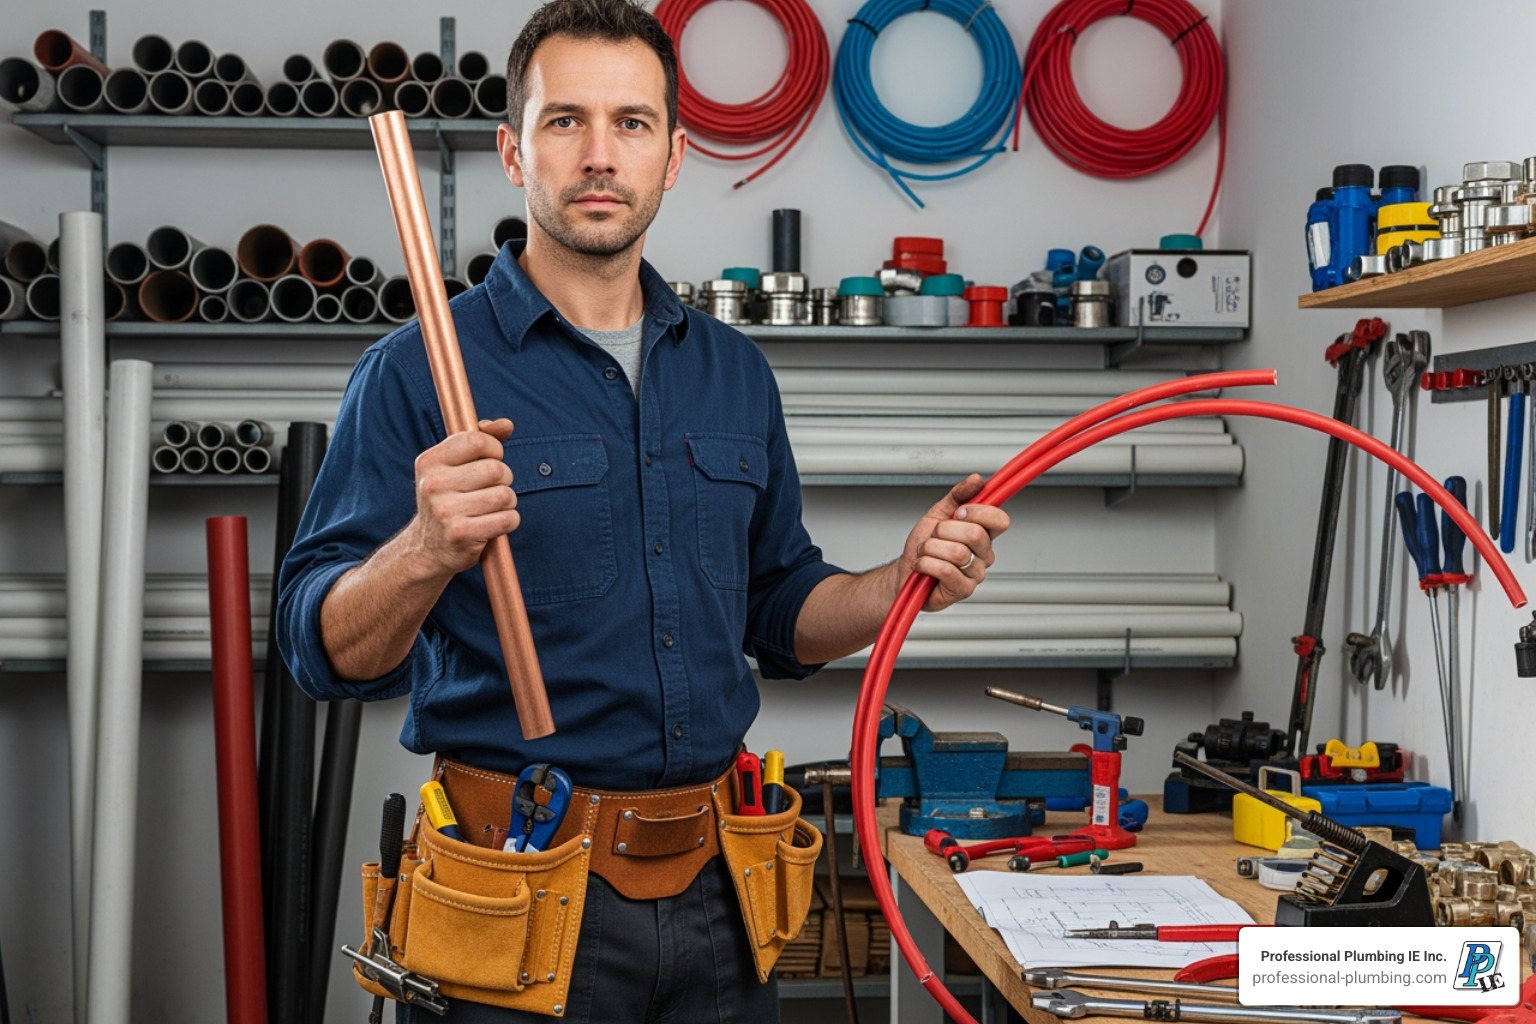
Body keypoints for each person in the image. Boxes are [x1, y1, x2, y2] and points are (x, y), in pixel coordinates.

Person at [277, 0, 1010, 1019]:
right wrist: (424, 549)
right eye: (563, 120)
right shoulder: (415, 372)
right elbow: (320, 652)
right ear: (512, 151)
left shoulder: (733, 372)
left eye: (631, 122)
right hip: (515, 888)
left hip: (721, 890)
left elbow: (779, 608)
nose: (598, 154)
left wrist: (900, 580)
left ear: (672, 157)